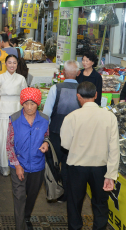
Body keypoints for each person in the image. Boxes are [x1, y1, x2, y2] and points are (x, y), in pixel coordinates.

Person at [61, 81, 119, 230]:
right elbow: (114, 148)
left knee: (75, 204)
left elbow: (65, 145)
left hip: (77, 167)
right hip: (100, 168)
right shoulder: (109, 117)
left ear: (78, 96)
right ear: (96, 95)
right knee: (100, 204)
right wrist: (111, 175)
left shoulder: (71, 117)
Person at [7, 88, 50, 230]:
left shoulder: (44, 119)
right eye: (26, 104)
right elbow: (9, 145)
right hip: (19, 164)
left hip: (37, 165)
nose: (29, 107)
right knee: (19, 197)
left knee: (32, 196)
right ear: (22, 104)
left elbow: (47, 137)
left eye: (33, 104)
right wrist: (17, 165)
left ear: (38, 104)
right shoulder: (14, 119)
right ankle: (20, 226)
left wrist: (46, 143)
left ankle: (26, 217)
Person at [42, 60, 80, 203]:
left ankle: (55, 191)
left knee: (54, 162)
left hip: (56, 132)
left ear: (63, 73)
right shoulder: (82, 90)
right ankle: (70, 194)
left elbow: (46, 113)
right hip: (76, 134)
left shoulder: (56, 88)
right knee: (70, 164)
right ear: (78, 73)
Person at [0, 55, 27, 176]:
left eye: (14, 63)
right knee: (3, 137)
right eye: (9, 63)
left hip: (17, 109)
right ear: (5, 64)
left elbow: (24, 97)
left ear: (17, 65)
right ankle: (4, 164)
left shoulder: (21, 79)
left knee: (16, 138)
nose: (12, 65)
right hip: (2, 109)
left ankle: (16, 163)